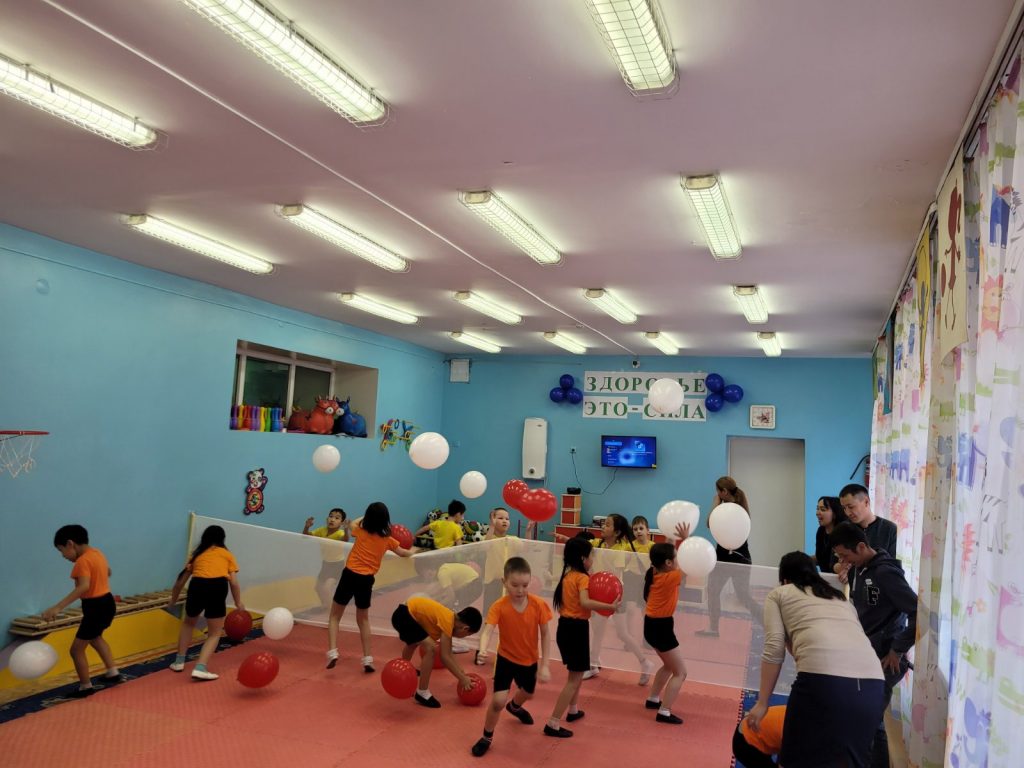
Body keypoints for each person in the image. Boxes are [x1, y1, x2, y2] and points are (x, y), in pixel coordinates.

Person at [747, 551, 884, 768]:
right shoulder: (841, 600)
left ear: (784, 579)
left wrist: (762, 702)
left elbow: (774, 648)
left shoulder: (779, 593)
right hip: (873, 685)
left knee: (794, 761)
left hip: (824, 683)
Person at [830, 522, 918, 768]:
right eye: (839, 557)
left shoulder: (885, 573)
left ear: (860, 546)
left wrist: (897, 650)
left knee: (869, 720)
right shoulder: (862, 568)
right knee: (868, 719)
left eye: (845, 555)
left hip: (885, 660)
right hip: (868, 654)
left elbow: (917, 611)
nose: (843, 561)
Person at [470, 556, 553, 757]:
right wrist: (483, 649)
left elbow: (545, 634)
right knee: (498, 701)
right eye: (515, 585)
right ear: (504, 582)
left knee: (529, 694)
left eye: (525, 585)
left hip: (529, 661)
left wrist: (545, 665)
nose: (520, 590)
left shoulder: (538, 605)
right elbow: (488, 630)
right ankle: (486, 737)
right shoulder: (499, 606)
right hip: (506, 660)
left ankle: (515, 707)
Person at [557, 514, 649, 681]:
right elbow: (581, 545)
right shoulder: (597, 543)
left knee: (622, 634)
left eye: (607, 525)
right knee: (597, 632)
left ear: (617, 532)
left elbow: (616, 574)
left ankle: (644, 662)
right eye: (603, 524)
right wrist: (567, 539)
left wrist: (603, 559)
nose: (603, 527)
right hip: (598, 593)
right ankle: (593, 664)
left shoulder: (620, 549)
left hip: (614, 596)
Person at [545, 537, 620, 738]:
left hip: (566, 628)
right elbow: (585, 603)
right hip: (576, 630)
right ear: (583, 558)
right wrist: (610, 606)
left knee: (576, 674)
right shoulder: (582, 578)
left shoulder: (568, 576)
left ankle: (573, 710)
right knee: (574, 679)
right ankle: (553, 723)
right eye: (591, 555)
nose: (593, 559)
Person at [326, 502, 414, 672]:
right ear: (386, 520)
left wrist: (366, 517)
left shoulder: (360, 531)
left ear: (367, 517)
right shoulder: (388, 540)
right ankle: (367, 659)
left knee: (335, 616)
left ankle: (332, 652)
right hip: (366, 580)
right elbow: (404, 553)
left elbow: (353, 523)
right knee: (363, 620)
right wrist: (416, 553)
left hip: (349, 575)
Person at [44, 525, 122, 697]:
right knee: (96, 638)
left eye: (61, 550)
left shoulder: (82, 561)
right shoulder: (97, 553)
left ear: (70, 544)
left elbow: (83, 586)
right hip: (107, 603)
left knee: (76, 650)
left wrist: (57, 607)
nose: (63, 556)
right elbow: (108, 571)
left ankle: (86, 687)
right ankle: (113, 672)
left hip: (95, 607)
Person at [167, 524, 244, 681]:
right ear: (222, 539)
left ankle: (179, 662)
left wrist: (173, 600)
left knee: (188, 623)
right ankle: (200, 668)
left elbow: (180, 582)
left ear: (205, 538)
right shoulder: (227, 555)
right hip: (217, 587)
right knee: (214, 633)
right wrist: (238, 602)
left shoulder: (197, 555)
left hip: (197, 586)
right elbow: (234, 583)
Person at [390, 595, 482, 708]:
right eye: (467, 635)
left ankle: (402, 673)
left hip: (404, 613)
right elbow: (445, 657)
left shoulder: (449, 618)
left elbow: (449, 652)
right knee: (431, 648)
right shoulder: (448, 620)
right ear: (465, 628)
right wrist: (462, 679)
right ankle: (422, 692)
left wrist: (461, 671)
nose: (464, 637)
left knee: (413, 643)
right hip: (403, 615)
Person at [697, 476, 760, 637]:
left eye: (718, 491)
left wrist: (715, 503)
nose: (716, 494)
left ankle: (766, 621)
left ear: (724, 491)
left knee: (738, 595)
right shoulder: (737, 507)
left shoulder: (729, 510)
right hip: (732, 557)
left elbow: (709, 523)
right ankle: (713, 628)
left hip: (735, 557)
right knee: (717, 591)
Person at [642, 525, 691, 725]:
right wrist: (686, 539)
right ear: (669, 563)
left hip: (652, 625)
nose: (678, 560)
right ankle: (665, 711)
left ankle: (653, 699)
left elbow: (668, 555)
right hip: (660, 627)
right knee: (681, 672)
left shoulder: (654, 571)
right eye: (675, 558)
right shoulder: (671, 577)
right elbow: (692, 564)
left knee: (669, 666)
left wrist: (672, 538)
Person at [835, 484, 897, 583]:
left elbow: (892, 566)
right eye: (844, 508)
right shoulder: (843, 529)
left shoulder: (889, 529)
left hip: (879, 587)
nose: (847, 513)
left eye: (851, 507)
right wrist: (843, 568)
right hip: (851, 588)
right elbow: (833, 564)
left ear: (866, 502)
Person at [302, 508, 349, 608]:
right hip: (326, 564)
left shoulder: (340, 533)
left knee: (326, 588)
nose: (332, 519)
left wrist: (346, 529)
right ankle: (326, 604)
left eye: (337, 518)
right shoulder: (321, 530)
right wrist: (307, 527)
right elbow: (305, 536)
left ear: (341, 523)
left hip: (337, 565)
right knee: (318, 588)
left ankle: (331, 611)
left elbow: (345, 539)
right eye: (331, 516)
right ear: (327, 519)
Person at [811, 496, 846, 573]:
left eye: (823, 509)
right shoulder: (821, 531)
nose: (817, 513)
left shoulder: (843, 533)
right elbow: (821, 558)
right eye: (817, 509)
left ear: (835, 514)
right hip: (826, 577)